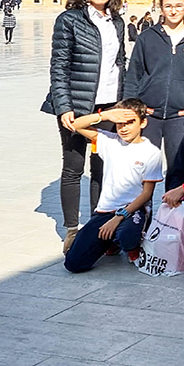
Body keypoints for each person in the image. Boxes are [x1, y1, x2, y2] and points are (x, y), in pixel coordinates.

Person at [41, 0, 126, 254]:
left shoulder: (117, 22)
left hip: (109, 106)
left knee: (102, 168)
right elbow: (59, 66)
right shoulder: (70, 19)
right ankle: (72, 230)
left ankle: (98, 228)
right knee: (73, 167)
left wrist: (124, 102)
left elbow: (120, 63)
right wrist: (63, 105)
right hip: (77, 105)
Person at [63, 99, 163, 273]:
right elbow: (76, 125)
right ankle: (110, 241)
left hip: (132, 210)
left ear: (143, 123)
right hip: (104, 211)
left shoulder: (151, 152)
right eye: (119, 123)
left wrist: (118, 217)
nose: (123, 128)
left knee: (127, 236)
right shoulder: (109, 141)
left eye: (130, 122)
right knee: (73, 264)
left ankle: (130, 246)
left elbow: (147, 194)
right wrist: (106, 115)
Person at [123, 0, 184, 170]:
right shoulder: (147, 38)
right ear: (161, 8)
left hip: (181, 116)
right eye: (168, 6)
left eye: (178, 6)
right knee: (143, 169)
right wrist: (130, 109)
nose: (173, 11)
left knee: (179, 169)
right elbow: (134, 76)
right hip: (148, 114)